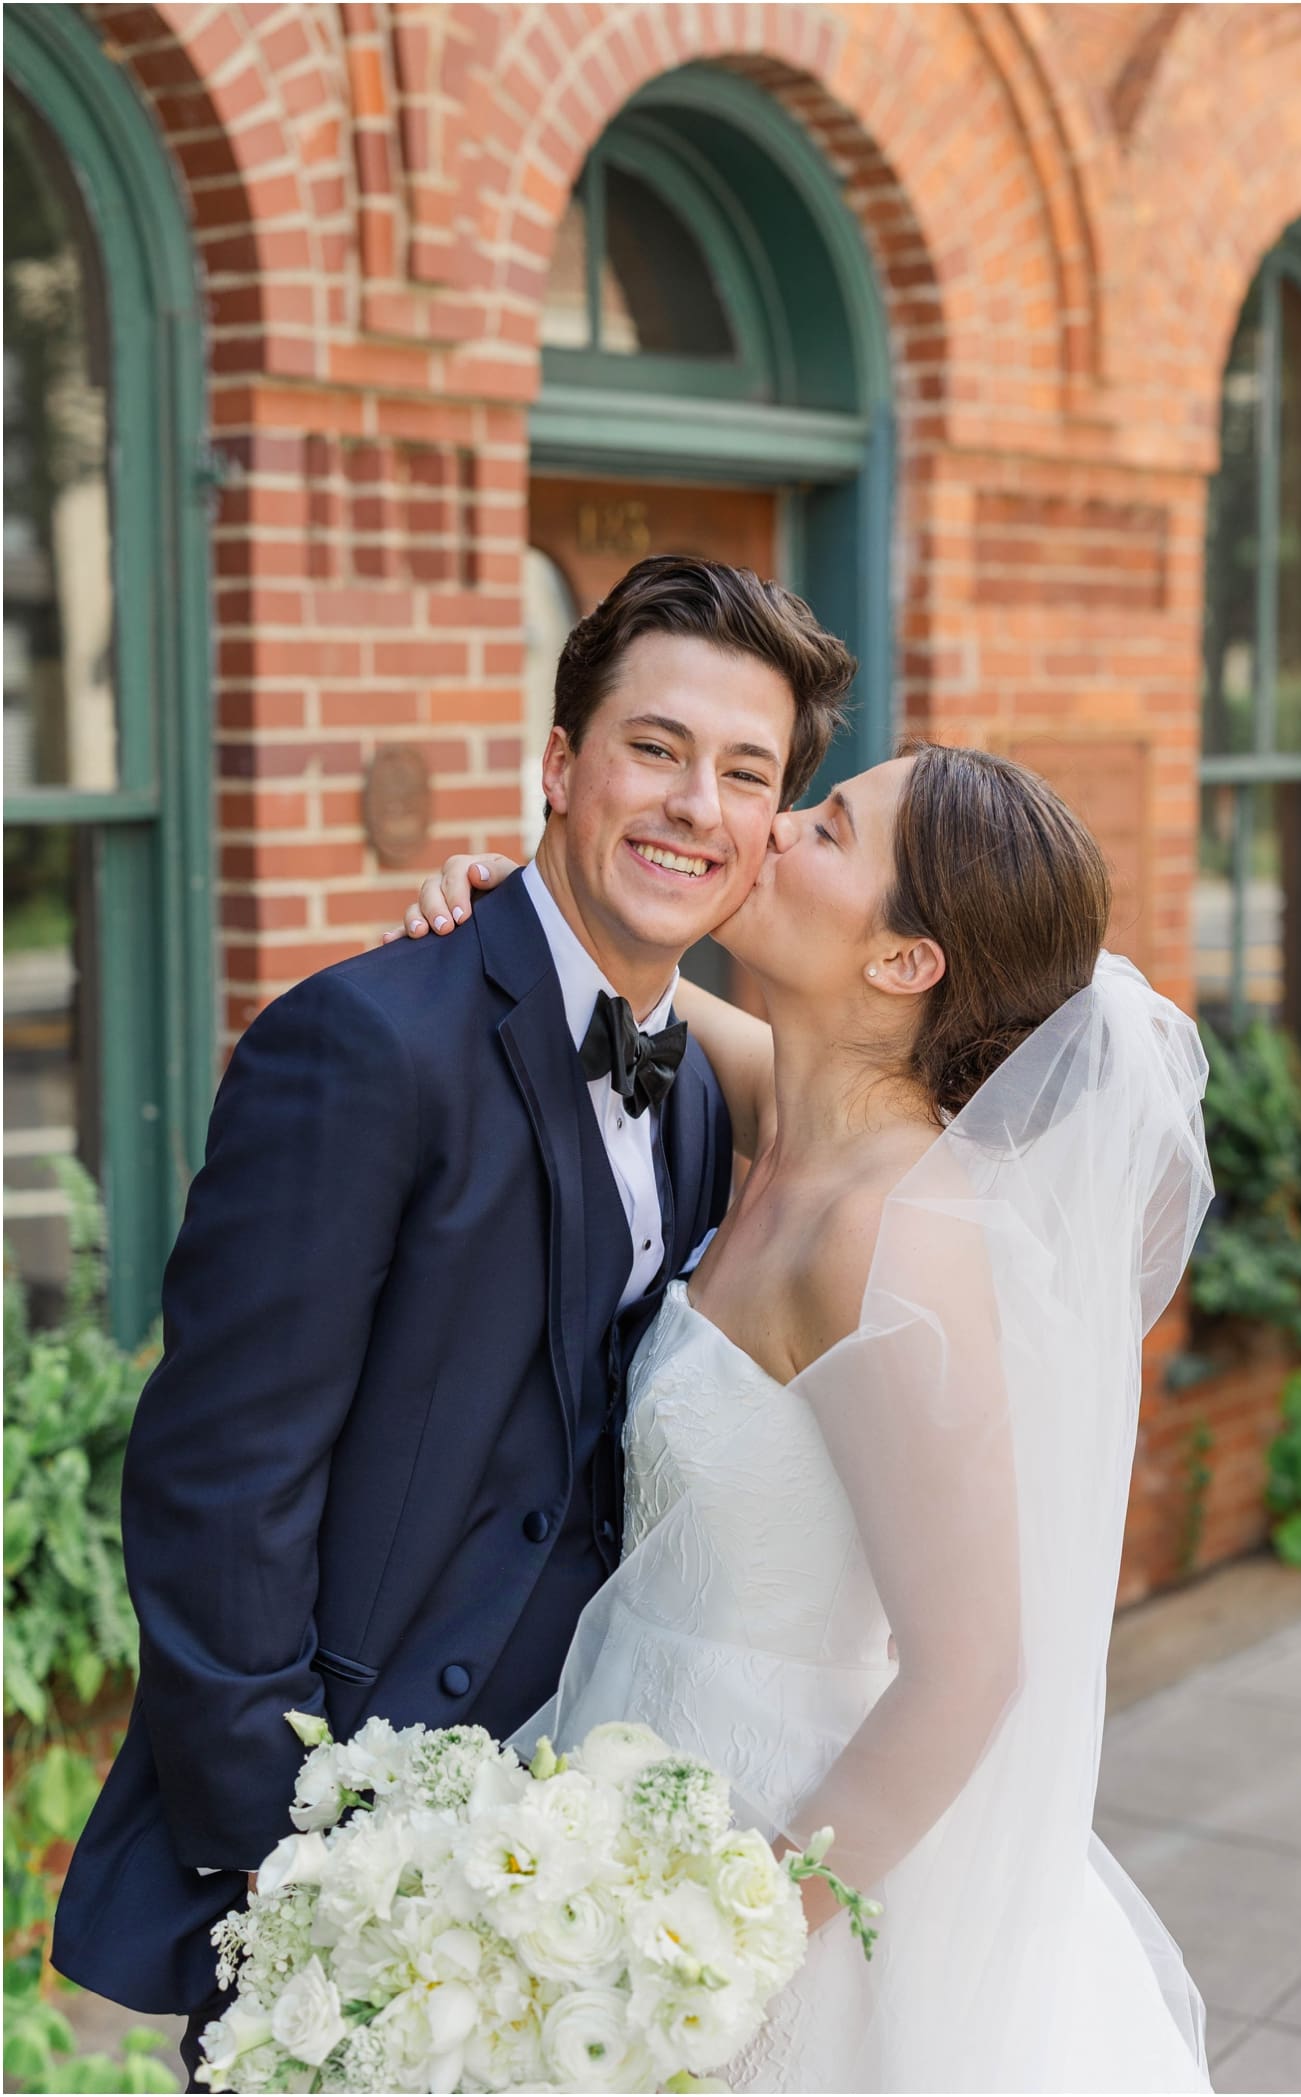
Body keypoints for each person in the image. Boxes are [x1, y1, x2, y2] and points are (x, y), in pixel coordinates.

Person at [50, 556, 855, 2088]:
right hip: (349, 1866)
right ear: (560, 766)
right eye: (655, 748)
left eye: (745, 774)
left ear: (766, 839)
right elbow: (219, 1485)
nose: (695, 803)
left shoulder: (706, 1094)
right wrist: (295, 1866)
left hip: (578, 1853)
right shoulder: (364, 1040)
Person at [396, 741, 1215, 2092]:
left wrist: (728, 1949)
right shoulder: (796, 1109)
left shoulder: (888, 1238)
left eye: (828, 829)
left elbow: (973, 1670)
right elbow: (618, 1005)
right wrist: (513, 915)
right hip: (634, 1742)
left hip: (779, 1841)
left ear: (904, 962)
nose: (770, 828)